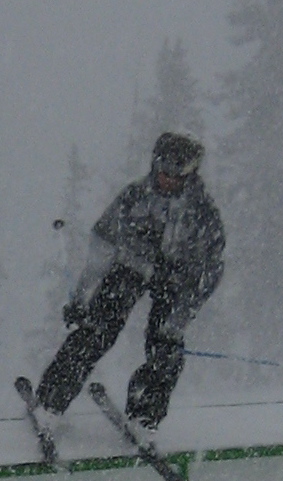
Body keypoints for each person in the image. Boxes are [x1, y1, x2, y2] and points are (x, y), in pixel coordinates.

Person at [35, 132, 225, 431]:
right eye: (162, 169)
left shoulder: (202, 213)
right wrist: (82, 299)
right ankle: (49, 402)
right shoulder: (135, 197)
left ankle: (144, 415)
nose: (167, 178)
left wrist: (178, 319)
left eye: (177, 173)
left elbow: (209, 271)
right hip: (131, 269)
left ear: (191, 172)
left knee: (165, 347)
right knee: (97, 328)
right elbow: (101, 249)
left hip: (176, 281)